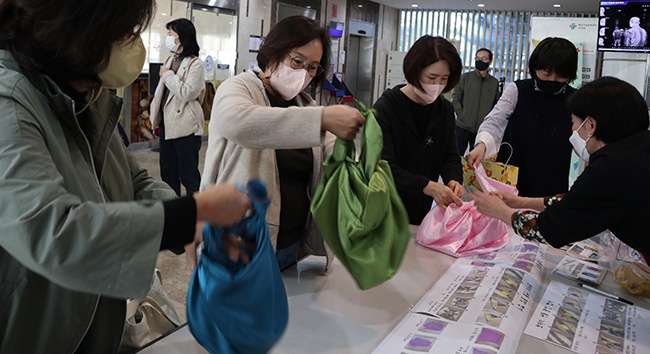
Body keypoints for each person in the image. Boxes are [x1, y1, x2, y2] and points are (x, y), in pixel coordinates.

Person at [0, 1, 251, 352]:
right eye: (125, 32)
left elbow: (134, 181)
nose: (133, 44)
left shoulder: (90, 97)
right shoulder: (10, 100)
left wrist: (195, 223)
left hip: (95, 324)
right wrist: (187, 214)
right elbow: (52, 231)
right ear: (77, 28)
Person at [201, 16, 365, 271]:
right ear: (274, 51)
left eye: (312, 67)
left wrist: (356, 150)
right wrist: (323, 118)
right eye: (297, 61)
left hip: (289, 247)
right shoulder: (239, 88)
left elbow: (335, 152)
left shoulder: (306, 105)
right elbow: (241, 124)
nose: (303, 73)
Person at [470, 76, 650, 257]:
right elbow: (580, 200)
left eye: (573, 122)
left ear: (591, 125)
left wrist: (502, 212)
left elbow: (550, 229)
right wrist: (521, 202)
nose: (572, 130)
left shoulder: (610, 168)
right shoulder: (638, 149)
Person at [467, 37, 578, 198]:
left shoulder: (576, 99)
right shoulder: (518, 90)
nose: (552, 80)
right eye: (546, 73)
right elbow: (496, 119)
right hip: (513, 174)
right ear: (535, 67)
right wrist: (481, 145)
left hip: (553, 178)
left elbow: (586, 139)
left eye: (560, 76)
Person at [372, 35, 465, 225]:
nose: (437, 86)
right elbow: (384, 166)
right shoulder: (386, 107)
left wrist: (453, 180)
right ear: (414, 71)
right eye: (431, 78)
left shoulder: (444, 109)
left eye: (444, 79)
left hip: (421, 209)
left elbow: (450, 155)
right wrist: (427, 186)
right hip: (384, 207)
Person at [150, 18, 205, 197]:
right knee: (168, 174)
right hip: (167, 124)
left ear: (181, 37)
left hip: (186, 126)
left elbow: (188, 93)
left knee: (188, 175)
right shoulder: (170, 59)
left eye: (170, 33)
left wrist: (168, 76)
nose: (168, 36)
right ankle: (174, 211)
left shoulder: (195, 64)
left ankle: (194, 212)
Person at [452, 48, 500, 155]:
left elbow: (496, 105)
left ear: (490, 61)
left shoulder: (494, 83)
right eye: (477, 58)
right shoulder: (465, 78)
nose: (480, 61)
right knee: (455, 156)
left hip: (481, 130)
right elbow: (455, 98)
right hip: (462, 126)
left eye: (483, 58)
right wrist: (462, 115)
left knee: (476, 161)